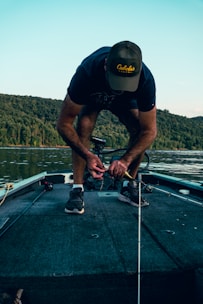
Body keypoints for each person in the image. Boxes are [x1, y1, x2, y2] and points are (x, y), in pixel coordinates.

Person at [57, 40, 157, 214]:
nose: (119, 89)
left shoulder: (145, 80)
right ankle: (77, 189)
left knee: (139, 130)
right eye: (118, 81)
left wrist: (125, 161)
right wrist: (87, 155)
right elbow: (63, 124)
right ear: (105, 66)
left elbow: (150, 131)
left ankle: (128, 185)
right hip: (94, 94)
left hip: (126, 101)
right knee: (84, 125)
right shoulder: (86, 73)